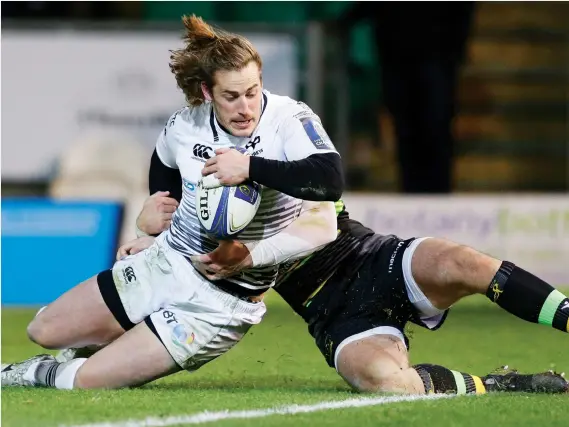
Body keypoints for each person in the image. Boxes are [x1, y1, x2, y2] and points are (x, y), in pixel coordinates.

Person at [1, 15, 344, 390]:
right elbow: (163, 160)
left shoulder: (288, 120)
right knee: (44, 329)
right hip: (165, 262)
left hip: (220, 303)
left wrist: (250, 169)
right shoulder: (186, 124)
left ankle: (34, 373)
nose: (246, 107)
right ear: (208, 93)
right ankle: (81, 353)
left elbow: (329, 179)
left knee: (86, 382)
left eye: (253, 91)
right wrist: (156, 210)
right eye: (231, 96)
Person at [111, 196, 569, 396]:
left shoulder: (290, 151)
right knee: (384, 382)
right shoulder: (201, 199)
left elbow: (318, 211)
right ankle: (500, 384)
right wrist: (147, 241)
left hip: (374, 258)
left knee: (463, 262)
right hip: (332, 312)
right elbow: (181, 252)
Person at [333, 2, 475, 193]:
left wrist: (457, 50)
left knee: (435, 128)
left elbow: (462, 9)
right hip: (398, 58)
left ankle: (438, 193)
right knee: (406, 130)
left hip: (435, 55)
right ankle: (411, 191)